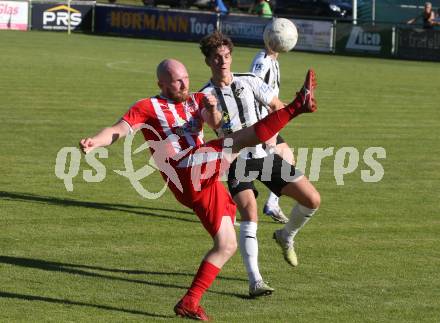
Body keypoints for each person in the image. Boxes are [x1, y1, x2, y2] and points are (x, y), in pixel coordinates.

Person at [79, 58, 317, 320]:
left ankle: (190, 302)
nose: (184, 84)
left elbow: (215, 123)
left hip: (205, 180)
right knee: (239, 140)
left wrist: (212, 110)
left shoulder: (196, 99)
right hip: (185, 168)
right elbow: (119, 130)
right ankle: (297, 105)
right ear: (161, 83)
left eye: (186, 78)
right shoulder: (148, 107)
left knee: (226, 244)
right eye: (176, 81)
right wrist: (95, 142)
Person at [198, 31, 321, 298]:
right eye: (217, 57)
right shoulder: (204, 96)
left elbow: (277, 106)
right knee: (249, 211)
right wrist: (213, 110)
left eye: (227, 56)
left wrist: (280, 131)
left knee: (312, 199)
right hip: (235, 161)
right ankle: (255, 281)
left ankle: (285, 235)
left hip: (264, 155)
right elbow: (216, 124)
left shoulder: (250, 81)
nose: (223, 61)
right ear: (208, 61)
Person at [249, 42, 296, 224]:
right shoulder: (263, 60)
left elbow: (269, 95)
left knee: (287, 159)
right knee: (253, 163)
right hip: (259, 123)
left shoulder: (274, 61)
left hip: (267, 122)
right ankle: (236, 199)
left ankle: (272, 203)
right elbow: (252, 86)